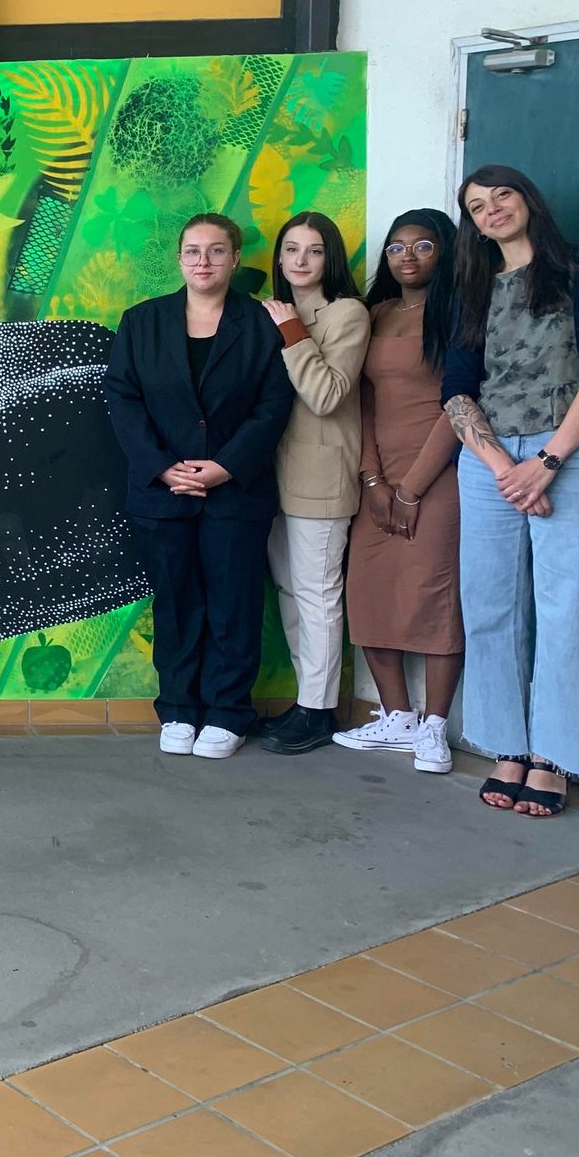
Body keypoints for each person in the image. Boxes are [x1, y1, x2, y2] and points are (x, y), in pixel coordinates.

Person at [443, 166, 579, 818]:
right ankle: (507, 746)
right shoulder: (470, 286)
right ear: (472, 224)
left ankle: (553, 756)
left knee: (566, 608)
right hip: (488, 460)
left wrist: (546, 462)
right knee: (489, 606)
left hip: (569, 451)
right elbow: (456, 390)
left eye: (502, 195)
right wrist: (504, 469)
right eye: (477, 206)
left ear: (527, 200)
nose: (492, 210)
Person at [104, 213, 296, 759]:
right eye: (193, 251)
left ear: (234, 258)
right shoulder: (142, 321)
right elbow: (123, 398)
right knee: (176, 602)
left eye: (215, 251)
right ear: (179, 259)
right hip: (161, 492)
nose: (203, 261)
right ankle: (178, 708)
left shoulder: (261, 323)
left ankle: (228, 712)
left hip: (236, 491)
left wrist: (226, 466)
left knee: (234, 603)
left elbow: (274, 403)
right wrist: (162, 466)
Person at [336, 209, 464, 773]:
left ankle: (434, 727)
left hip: (440, 475)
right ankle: (397, 718)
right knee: (368, 592)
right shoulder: (376, 314)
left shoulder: (460, 314)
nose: (407, 257)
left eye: (423, 246)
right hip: (379, 478)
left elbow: (460, 404)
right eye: (396, 247)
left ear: (446, 252)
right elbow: (361, 402)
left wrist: (412, 488)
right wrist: (373, 479)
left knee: (435, 595)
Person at [256, 212, 370, 755]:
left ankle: (319, 712)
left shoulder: (347, 313)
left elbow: (326, 396)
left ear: (331, 259)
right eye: (291, 249)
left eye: (314, 250)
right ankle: (306, 700)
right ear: (279, 257)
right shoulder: (267, 313)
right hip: (268, 473)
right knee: (288, 590)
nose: (300, 260)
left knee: (317, 593)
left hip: (321, 475)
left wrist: (292, 333)